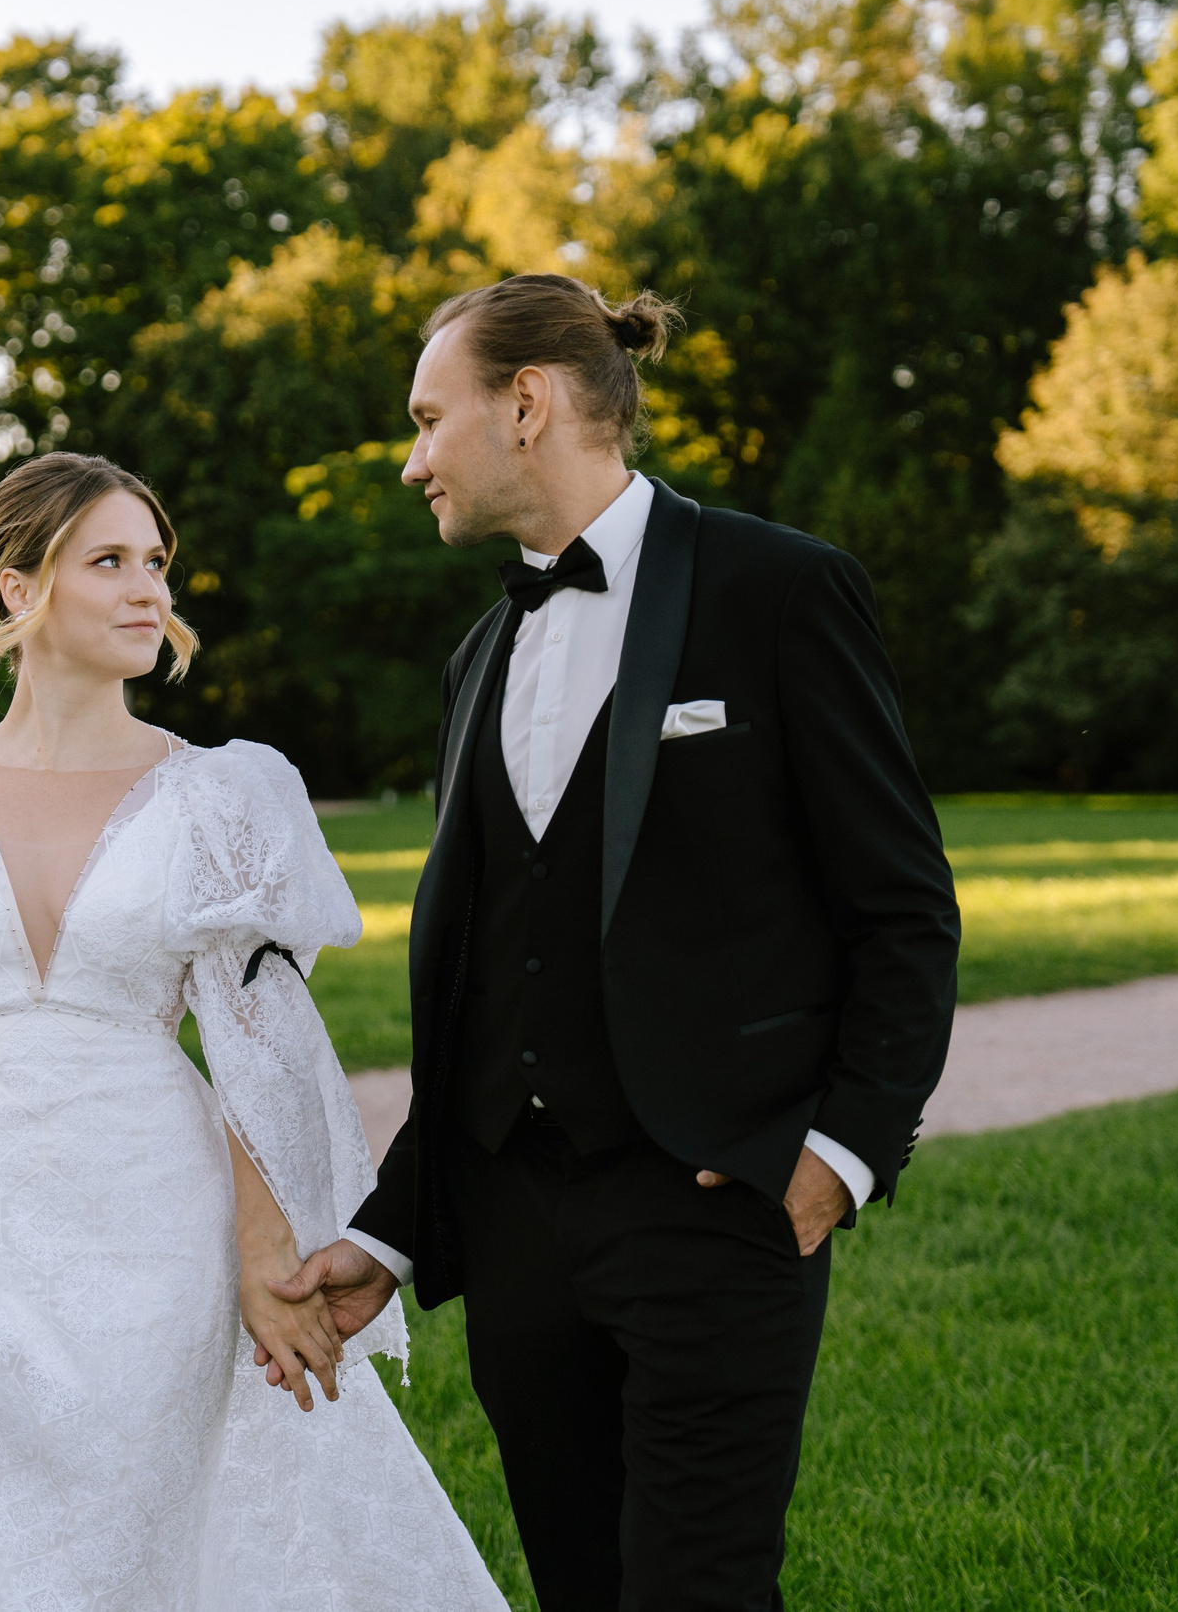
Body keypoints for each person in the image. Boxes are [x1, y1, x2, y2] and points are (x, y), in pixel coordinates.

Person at [274, 274, 962, 1610]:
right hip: (518, 1224)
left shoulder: (781, 588)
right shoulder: (479, 652)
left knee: (699, 1588)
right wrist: (400, 1230)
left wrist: (837, 1154)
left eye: (428, 418)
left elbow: (902, 906)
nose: (412, 459)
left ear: (527, 404)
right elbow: (489, 974)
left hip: (718, 1204)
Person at [0, 453, 503, 1609]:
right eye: (109, 562)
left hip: (153, 1216)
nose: (147, 589)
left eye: (155, 563)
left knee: (171, 1499)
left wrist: (266, 1257)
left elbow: (256, 1046)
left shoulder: (217, 796)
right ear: (18, 588)